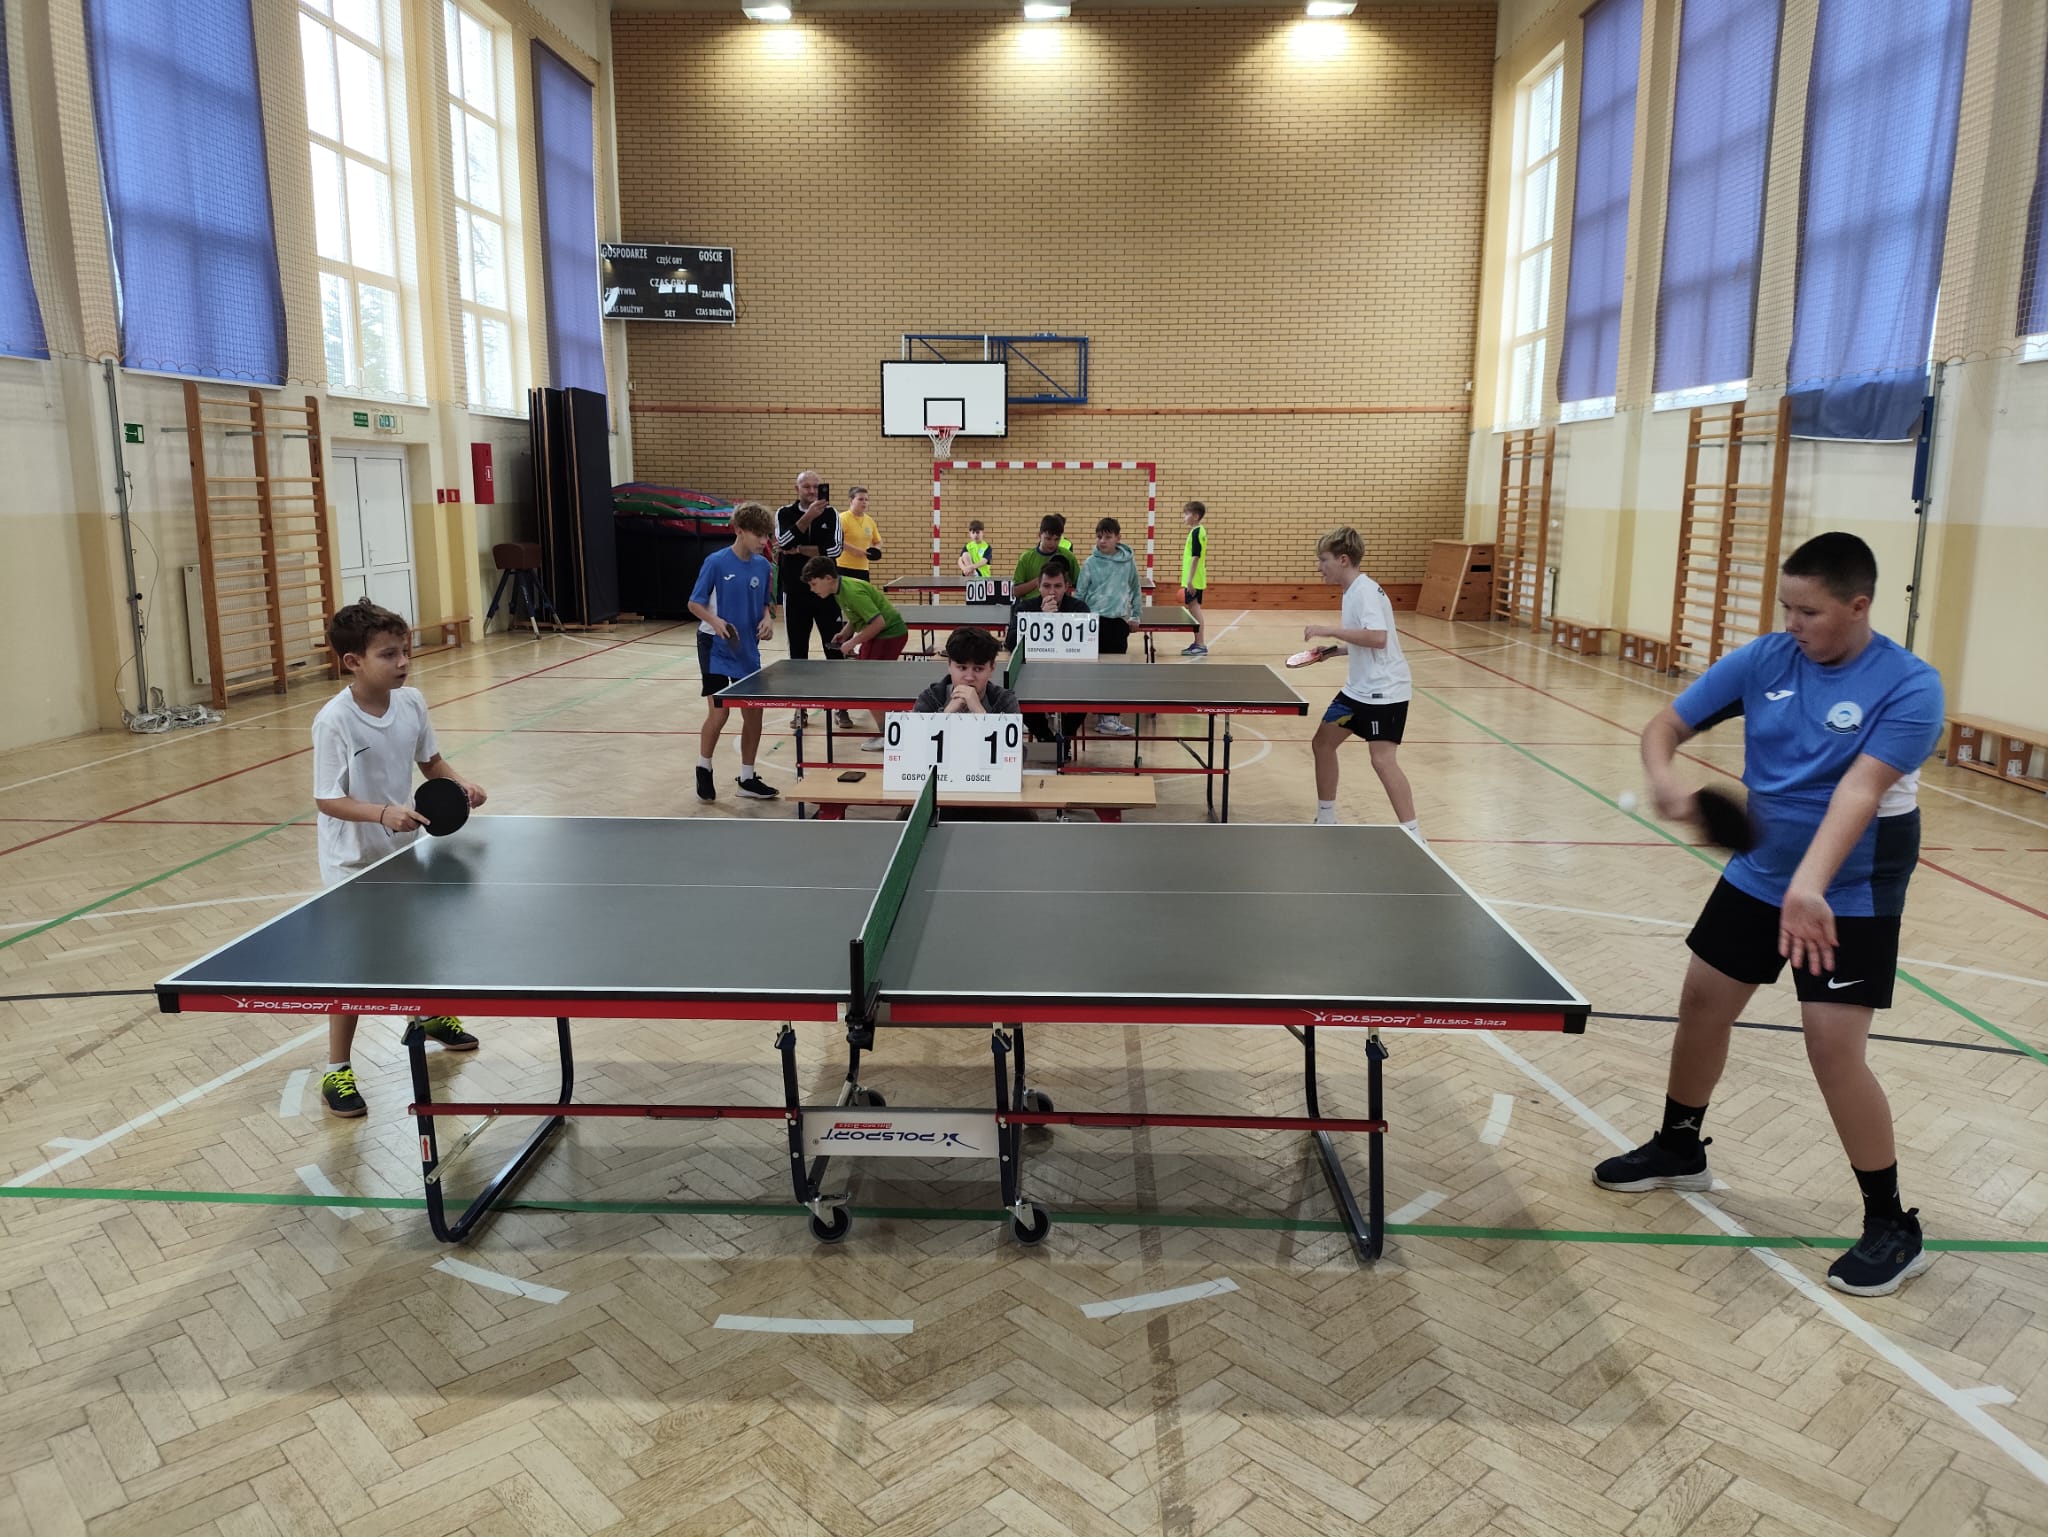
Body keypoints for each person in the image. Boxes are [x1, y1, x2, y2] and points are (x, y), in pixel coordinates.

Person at [1598, 532, 1944, 1298]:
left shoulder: (1910, 687)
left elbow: (1859, 792)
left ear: (1858, 606)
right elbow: (1664, 725)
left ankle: (1893, 1223)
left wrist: (1810, 886)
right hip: (1762, 866)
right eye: (1786, 606)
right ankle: (1680, 1146)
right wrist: (1664, 780)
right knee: (1703, 999)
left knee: (1832, 1048)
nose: (1792, 623)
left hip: (1851, 886)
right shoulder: (1766, 659)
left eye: (1808, 611)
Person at [310, 599, 487, 1118]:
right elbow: (327, 799)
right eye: (389, 654)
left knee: (418, 940)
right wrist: (382, 814)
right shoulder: (334, 721)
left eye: (405, 651)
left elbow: (431, 762)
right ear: (353, 662)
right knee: (355, 967)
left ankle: (429, 1016)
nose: (403, 662)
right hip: (352, 862)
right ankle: (337, 1069)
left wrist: (462, 784)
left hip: (403, 850)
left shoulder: (411, 703)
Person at [1303, 527, 1417, 834]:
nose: (1319, 566)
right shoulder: (1352, 590)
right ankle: (1327, 817)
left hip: (1385, 693)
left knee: (1382, 761)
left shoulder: (1365, 591)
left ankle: (1414, 835)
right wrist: (1334, 651)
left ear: (1342, 560)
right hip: (1356, 693)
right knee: (1323, 744)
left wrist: (1330, 630)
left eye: (1323, 560)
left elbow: (1378, 638)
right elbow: (1367, 639)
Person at [688, 502, 780, 803]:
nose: (764, 541)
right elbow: (694, 603)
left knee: (754, 712)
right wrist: (716, 622)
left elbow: (765, 604)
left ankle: (748, 778)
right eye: (758, 535)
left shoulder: (764, 566)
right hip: (713, 644)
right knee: (720, 712)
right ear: (739, 530)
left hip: (747, 648)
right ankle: (704, 767)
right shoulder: (716, 562)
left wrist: (767, 620)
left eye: (767, 536)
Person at [807, 555, 910, 750]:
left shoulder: (852, 591)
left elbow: (878, 623)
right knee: (870, 684)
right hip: (881, 635)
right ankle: (892, 727)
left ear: (828, 578)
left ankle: (888, 734)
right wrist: (845, 633)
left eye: (814, 584)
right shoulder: (840, 589)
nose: (812, 589)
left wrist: (853, 642)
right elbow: (858, 617)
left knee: (868, 686)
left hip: (888, 634)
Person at [1077, 516, 1142, 737]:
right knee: (1093, 671)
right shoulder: (1090, 563)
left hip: (1117, 623)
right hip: (1092, 623)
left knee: (1115, 672)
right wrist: (1077, 621)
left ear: (1118, 538)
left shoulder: (1128, 563)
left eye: (1107, 537)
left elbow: (1135, 589)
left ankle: (1109, 718)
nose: (1102, 541)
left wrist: (1136, 616)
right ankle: (1090, 710)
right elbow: (1080, 594)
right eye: (1099, 537)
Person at [1015, 556, 1091, 742]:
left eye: (1057, 586)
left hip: (1070, 671)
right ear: (1038, 586)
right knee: (1016, 695)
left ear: (1066, 586)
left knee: (1086, 695)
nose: (1052, 591)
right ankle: (1045, 738)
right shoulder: (1025, 608)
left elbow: (1089, 643)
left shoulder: (1079, 608)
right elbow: (1011, 642)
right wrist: (1041, 618)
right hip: (1033, 672)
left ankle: (1065, 738)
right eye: (1046, 586)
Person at [774, 470, 843, 666]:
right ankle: (798, 685)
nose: (812, 491)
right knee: (797, 649)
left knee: (834, 646)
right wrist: (809, 517)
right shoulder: (784, 513)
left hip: (827, 592)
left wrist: (800, 549)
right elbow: (784, 543)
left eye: (816, 487)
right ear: (797, 489)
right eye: (806, 487)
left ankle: (840, 682)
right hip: (795, 591)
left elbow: (835, 549)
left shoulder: (831, 513)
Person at [913, 624, 1019, 715]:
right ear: (949, 665)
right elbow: (917, 733)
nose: (969, 677)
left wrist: (979, 711)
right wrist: (947, 714)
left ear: (992, 668)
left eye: (978, 669)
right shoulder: (930, 699)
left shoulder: (1005, 701)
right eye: (962, 668)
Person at [1012, 516, 1067, 602]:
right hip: (1030, 606)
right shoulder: (1026, 558)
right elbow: (1016, 591)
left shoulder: (1068, 556)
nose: (1052, 543)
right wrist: (1042, 579)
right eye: (1048, 539)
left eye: (1057, 539)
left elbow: (1077, 586)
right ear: (1039, 535)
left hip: (1059, 606)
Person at [1180, 500, 1210, 656]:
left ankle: (1200, 644)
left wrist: (1190, 580)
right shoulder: (1197, 531)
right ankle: (1198, 642)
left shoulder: (1197, 532)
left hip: (1194, 580)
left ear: (1196, 516)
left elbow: (1195, 557)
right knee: (1193, 609)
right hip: (1195, 578)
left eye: (1186, 514)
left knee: (1195, 610)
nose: (1183, 517)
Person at [836, 486, 883, 584]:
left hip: (863, 569)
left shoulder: (869, 521)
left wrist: (875, 550)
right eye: (860, 499)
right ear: (851, 501)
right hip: (843, 568)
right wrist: (855, 550)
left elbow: (878, 541)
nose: (864, 502)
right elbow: (837, 540)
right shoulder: (842, 518)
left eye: (866, 499)